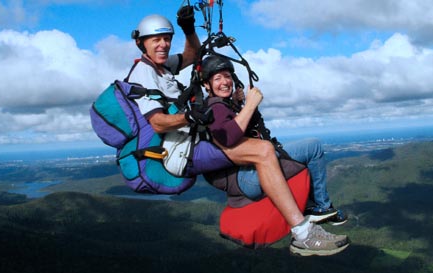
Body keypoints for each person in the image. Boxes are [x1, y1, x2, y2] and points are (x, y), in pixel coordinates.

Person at [129, 8, 349, 256]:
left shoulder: (163, 66)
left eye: (166, 38)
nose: (163, 45)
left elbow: (192, 54)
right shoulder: (143, 74)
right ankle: (302, 233)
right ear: (141, 43)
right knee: (263, 151)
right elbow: (157, 122)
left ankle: (312, 213)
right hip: (181, 151)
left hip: (190, 140)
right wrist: (189, 116)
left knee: (268, 150)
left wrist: (188, 29)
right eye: (156, 40)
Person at [202, 55, 348, 226]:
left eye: (227, 76)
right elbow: (228, 138)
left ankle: (312, 205)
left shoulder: (219, 106)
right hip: (246, 177)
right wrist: (250, 105)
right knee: (313, 147)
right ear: (206, 84)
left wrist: (236, 103)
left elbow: (234, 129)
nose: (225, 82)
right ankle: (321, 206)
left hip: (242, 176)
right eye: (217, 78)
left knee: (301, 152)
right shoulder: (215, 107)